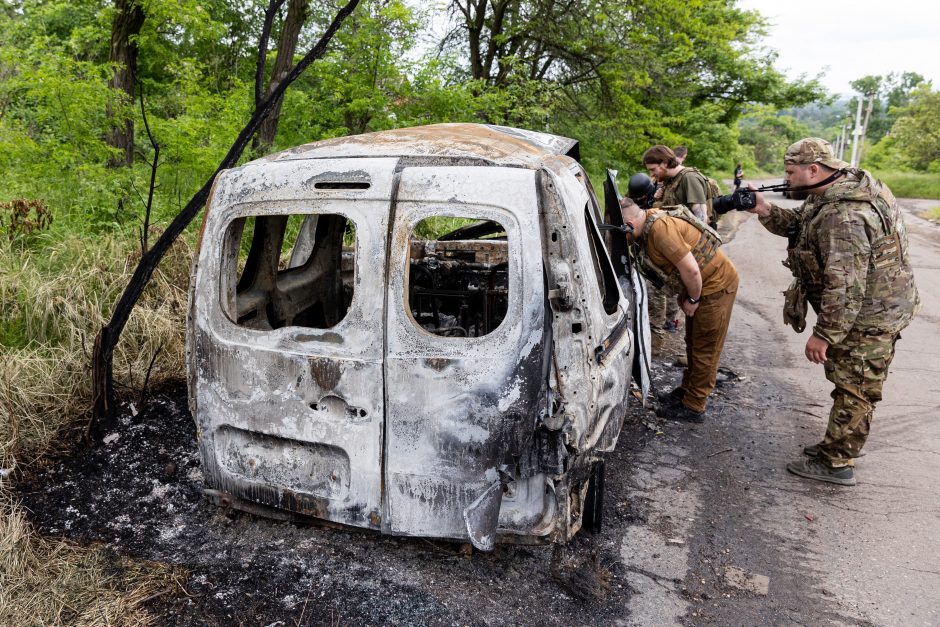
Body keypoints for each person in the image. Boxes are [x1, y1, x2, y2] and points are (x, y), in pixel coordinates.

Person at [749, 137, 919, 486]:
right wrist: (764, 210)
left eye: (790, 171)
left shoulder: (845, 215)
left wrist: (824, 335)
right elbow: (801, 224)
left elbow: (845, 287)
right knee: (850, 381)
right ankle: (839, 442)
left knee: (855, 387)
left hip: (869, 317)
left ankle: (836, 462)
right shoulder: (833, 193)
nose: (787, 178)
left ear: (814, 170)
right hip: (870, 310)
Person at [619, 197, 739, 423]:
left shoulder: (659, 230)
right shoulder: (647, 223)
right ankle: (687, 391)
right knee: (693, 342)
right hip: (700, 285)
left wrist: (693, 297)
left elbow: (692, 271)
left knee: (705, 347)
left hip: (715, 286)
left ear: (630, 225)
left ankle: (694, 407)